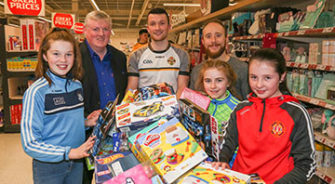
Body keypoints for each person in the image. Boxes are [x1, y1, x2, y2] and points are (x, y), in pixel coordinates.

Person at [211, 48, 316, 184]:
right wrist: (223, 160)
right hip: (240, 180)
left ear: (282, 76)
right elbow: (228, 143)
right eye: (253, 77)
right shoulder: (241, 108)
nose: (259, 85)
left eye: (267, 78)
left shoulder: (296, 113)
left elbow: (307, 165)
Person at [20, 28, 100, 184]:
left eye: (68, 54)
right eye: (56, 54)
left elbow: (63, 123)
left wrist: (86, 123)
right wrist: (69, 153)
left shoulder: (76, 86)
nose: (63, 60)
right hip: (49, 167)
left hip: (76, 163)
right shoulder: (36, 92)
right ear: (45, 56)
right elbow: (30, 143)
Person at [80, 10, 128, 183]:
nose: (101, 34)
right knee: (83, 178)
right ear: (85, 30)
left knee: (115, 176)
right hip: (84, 133)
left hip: (115, 132)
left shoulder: (120, 57)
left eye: (106, 29)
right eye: (95, 29)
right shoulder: (74, 57)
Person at [127, 8, 190, 98]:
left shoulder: (182, 55)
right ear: (148, 29)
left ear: (169, 27)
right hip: (144, 110)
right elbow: (132, 89)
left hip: (172, 110)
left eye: (162, 23)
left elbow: (182, 89)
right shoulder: (136, 56)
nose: (157, 28)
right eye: (153, 24)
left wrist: (173, 109)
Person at [190, 19, 249, 100]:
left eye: (218, 35)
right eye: (208, 36)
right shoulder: (196, 71)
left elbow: (252, 104)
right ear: (203, 41)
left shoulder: (243, 69)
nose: (213, 40)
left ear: (226, 39)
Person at [195, 59, 239, 165]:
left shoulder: (237, 108)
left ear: (228, 82)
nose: (213, 86)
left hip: (229, 162)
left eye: (219, 80)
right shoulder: (202, 102)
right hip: (206, 157)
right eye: (208, 81)